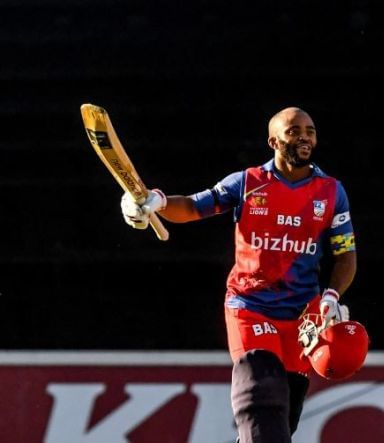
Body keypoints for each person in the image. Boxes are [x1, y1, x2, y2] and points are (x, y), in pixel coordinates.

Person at [120, 107, 357, 443]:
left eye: (310, 130)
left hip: (305, 317)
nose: (304, 136)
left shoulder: (332, 192)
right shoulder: (247, 183)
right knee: (261, 399)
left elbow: (346, 254)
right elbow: (191, 206)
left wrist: (331, 297)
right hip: (250, 305)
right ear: (273, 140)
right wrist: (154, 202)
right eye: (294, 130)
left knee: (282, 421)